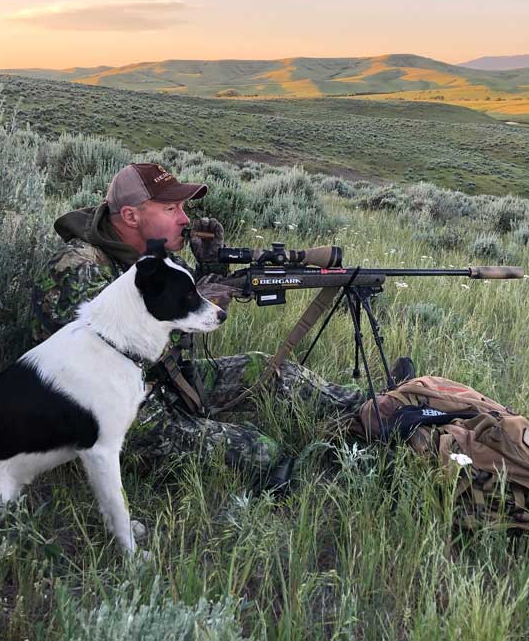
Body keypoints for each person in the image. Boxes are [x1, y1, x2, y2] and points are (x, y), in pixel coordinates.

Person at [32, 162, 373, 491]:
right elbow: (111, 357)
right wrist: (189, 314)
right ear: (131, 216)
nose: (185, 219)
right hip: (111, 415)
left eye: (183, 207)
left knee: (269, 369)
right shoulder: (78, 268)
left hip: (162, 384)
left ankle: (378, 409)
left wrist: (210, 265)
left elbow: (183, 298)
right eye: (171, 209)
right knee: (259, 449)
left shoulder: (155, 254)